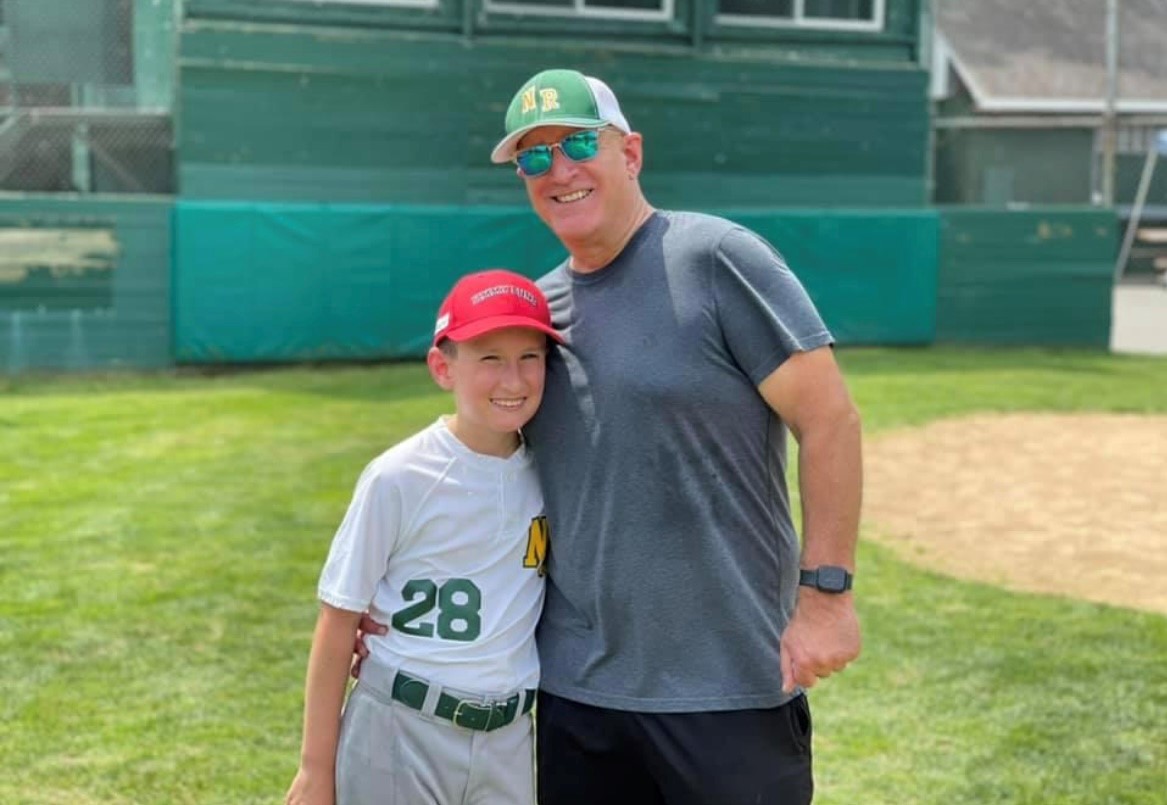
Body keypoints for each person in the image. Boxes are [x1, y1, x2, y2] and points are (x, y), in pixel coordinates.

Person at [360, 68, 863, 804]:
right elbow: (489, 481)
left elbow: (830, 422)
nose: (557, 170)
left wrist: (827, 598)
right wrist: (392, 603)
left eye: (576, 145)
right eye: (533, 156)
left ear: (630, 152)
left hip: (727, 686)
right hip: (577, 695)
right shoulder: (537, 321)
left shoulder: (716, 259)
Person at [286, 269, 562, 805]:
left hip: (508, 736)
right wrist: (315, 768)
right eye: (489, 358)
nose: (513, 379)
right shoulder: (401, 476)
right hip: (402, 725)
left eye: (529, 356)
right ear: (443, 367)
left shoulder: (550, 471)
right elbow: (338, 618)